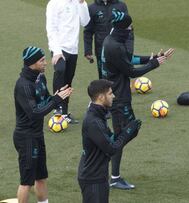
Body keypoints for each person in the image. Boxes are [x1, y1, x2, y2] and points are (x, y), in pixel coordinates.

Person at [102, 10, 175, 189]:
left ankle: (115, 174)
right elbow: (131, 71)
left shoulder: (111, 40)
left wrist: (152, 58)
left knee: (123, 133)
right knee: (130, 131)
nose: (130, 29)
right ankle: (107, 153)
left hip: (116, 94)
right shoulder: (115, 46)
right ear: (121, 28)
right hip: (118, 98)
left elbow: (128, 59)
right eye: (128, 26)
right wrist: (154, 64)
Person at [13, 46, 73, 203]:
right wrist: (56, 99)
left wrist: (57, 96)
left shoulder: (40, 78)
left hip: (37, 135)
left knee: (41, 177)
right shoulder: (23, 85)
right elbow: (34, 113)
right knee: (26, 182)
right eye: (41, 60)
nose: (46, 63)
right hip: (26, 137)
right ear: (32, 63)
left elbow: (46, 100)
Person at [77, 79, 141, 203]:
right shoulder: (93, 121)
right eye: (110, 93)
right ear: (101, 97)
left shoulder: (98, 114)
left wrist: (127, 133)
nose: (114, 96)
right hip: (93, 178)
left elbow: (110, 140)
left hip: (97, 175)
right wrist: (127, 133)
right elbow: (111, 149)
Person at [46, 0, 90, 123]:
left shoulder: (79, 2)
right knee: (60, 71)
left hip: (73, 49)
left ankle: (64, 112)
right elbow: (51, 28)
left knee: (68, 79)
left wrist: (82, 4)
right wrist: (56, 50)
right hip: (59, 48)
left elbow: (85, 22)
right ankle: (57, 108)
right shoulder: (54, 3)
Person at [84, 0, 134, 79]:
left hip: (120, 48)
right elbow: (88, 31)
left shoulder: (121, 5)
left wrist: (129, 49)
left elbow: (128, 28)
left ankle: (121, 90)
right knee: (103, 75)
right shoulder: (92, 8)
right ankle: (105, 91)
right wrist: (88, 50)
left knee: (122, 73)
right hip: (101, 49)